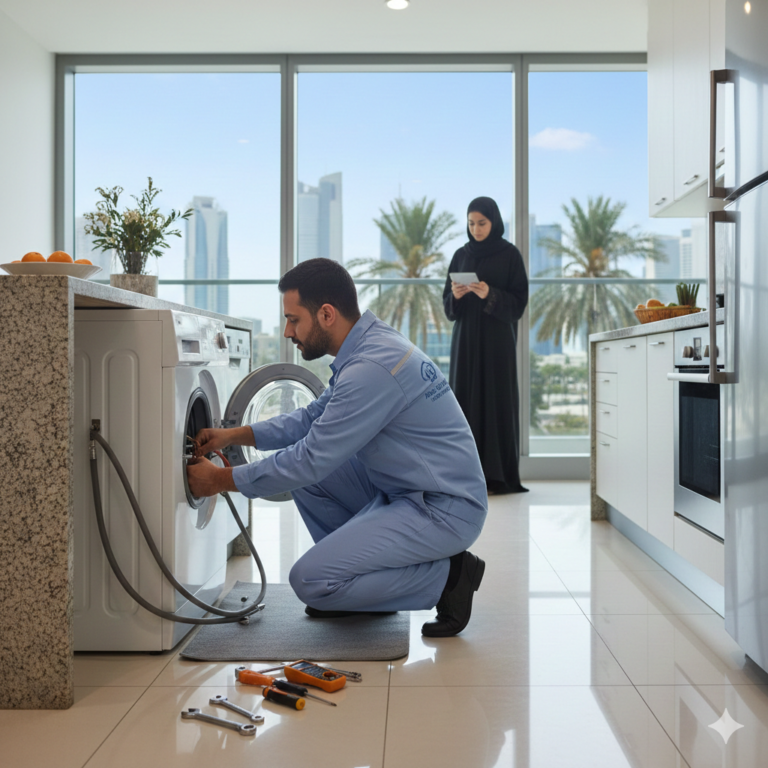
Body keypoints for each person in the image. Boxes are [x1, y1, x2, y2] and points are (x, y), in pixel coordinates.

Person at [186, 258, 488, 637]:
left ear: (326, 314)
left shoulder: (371, 369)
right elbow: (311, 418)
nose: (286, 332)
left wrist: (220, 480)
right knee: (312, 481)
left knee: (310, 582)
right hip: (409, 490)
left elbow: (310, 458)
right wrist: (234, 435)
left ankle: (450, 578)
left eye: (294, 319)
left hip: (444, 508)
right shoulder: (369, 344)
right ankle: (357, 589)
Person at [443, 197, 529, 495]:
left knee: (496, 402)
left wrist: (489, 293)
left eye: (482, 223)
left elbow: (519, 303)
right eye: (471, 223)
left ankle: (497, 477)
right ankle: (465, 476)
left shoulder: (510, 255)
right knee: (464, 404)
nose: (476, 229)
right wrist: (455, 294)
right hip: (466, 341)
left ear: (494, 222)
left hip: (496, 343)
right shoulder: (460, 255)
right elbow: (448, 308)